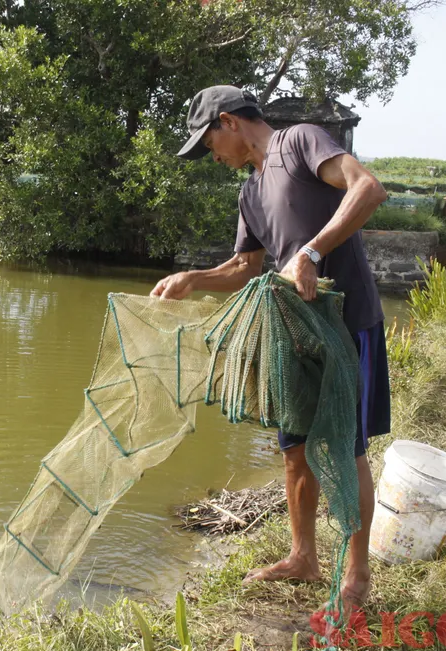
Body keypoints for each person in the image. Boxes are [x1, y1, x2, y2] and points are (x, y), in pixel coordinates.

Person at [150, 85, 391, 610]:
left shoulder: (301, 143)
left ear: (230, 122)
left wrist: (310, 251)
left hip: (346, 326)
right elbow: (244, 268)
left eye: (208, 142)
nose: (211, 156)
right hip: (294, 336)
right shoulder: (250, 193)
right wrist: (193, 277)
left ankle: (357, 578)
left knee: (347, 452)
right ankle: (303, 558)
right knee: (294, 452)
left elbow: (368, 189)